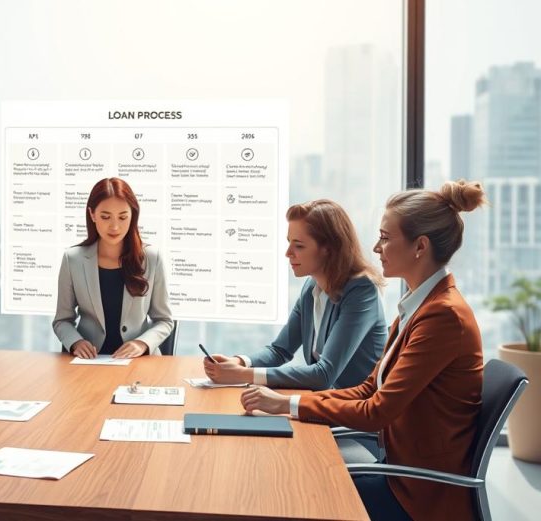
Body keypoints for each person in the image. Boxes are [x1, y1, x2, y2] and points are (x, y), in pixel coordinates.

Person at [240, 180, 487, 521]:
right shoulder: (421, 306)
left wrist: (287, 404)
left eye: (386, 238)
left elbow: (377, 411)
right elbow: (369, 388)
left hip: (417, 494)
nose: (375, 247)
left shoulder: (442, 316)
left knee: (288, 489)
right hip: (398, 469)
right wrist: (287, 405)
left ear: (420, 246)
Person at [204, 199, 386, 390]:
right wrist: (240, 362)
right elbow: (280, 350)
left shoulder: (361, 291)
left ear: (329, 249)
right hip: (326, 403)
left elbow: (324, 375)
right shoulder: (311, 287)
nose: (288, 253)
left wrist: (243, 375)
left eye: (298, 245)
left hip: (356, 411)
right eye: (289, 243)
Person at [53, 177, 174, 358]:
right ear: (92, 214)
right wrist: (76, 342)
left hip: (139, 361)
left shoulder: (151, 258)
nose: (115, 226)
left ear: (133, 215)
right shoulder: (73, 259)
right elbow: (62, 320)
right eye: (105, 217)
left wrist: (142, 343)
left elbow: (164, 320)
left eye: (123, 217)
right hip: (90, 361)